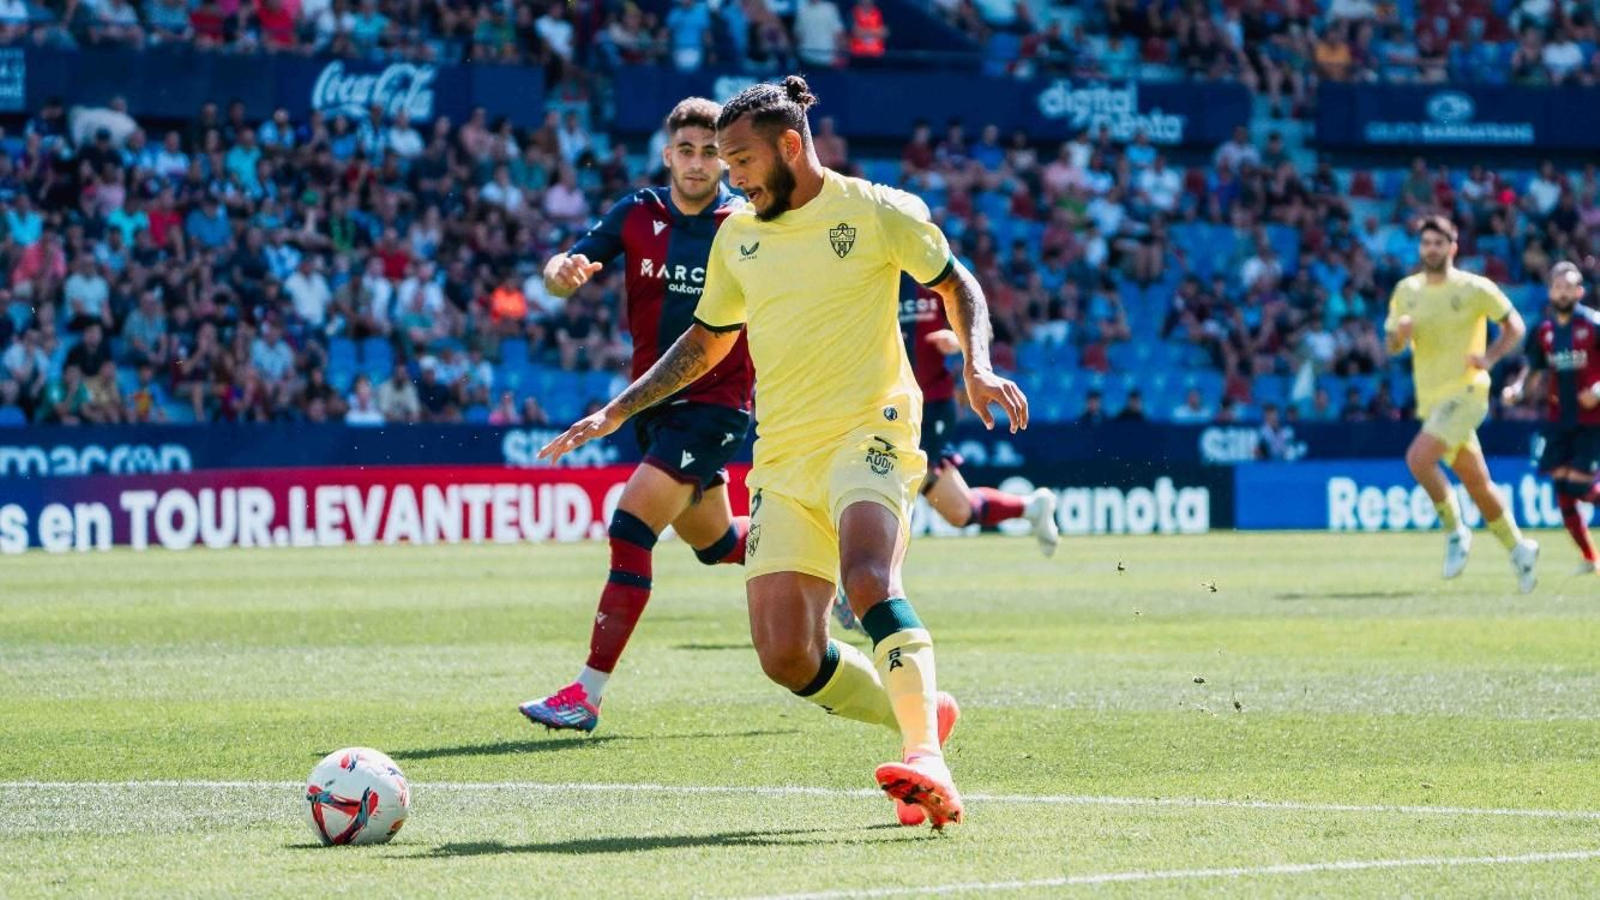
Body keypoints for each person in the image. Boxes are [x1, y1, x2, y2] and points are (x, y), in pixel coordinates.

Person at [540, 77, 1028, 829]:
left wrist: (977, 364)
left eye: (740, 160)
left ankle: (928, 759)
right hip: (784, 453)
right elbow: (706, 341)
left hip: (873, 428)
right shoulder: (741, 236)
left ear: (791, 147)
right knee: (785, 653)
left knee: (867, 578)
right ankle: (921, 714)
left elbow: (955, 283)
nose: (731, 177)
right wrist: (617, 408)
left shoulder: (875, 210)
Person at [519, 98, 757, 734]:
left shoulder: (746, 223)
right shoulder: (638, 213)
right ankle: (827, 565)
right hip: (654, 405)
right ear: (667, 153)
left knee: (630, 527)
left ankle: (586, 694)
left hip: (714, 405)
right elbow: (559, 274)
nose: (699, 163)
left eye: (712, 152)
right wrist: (560, 273)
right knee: (722, 544)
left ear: (725, 160)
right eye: (688, 150)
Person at [1385, 215, 1538, 591]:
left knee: (1419, 459)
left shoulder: (1474, 288)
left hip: (1468, 392)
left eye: (1439, 243)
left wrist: (1490, 358)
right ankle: (1520, 549)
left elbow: (1515, 326)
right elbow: (1392, 346)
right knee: (1477, 482)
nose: (1431, 249)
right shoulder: (1406, 290)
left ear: (1453, 247)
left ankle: (1456, 532)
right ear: (1420, 248)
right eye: (1426, 243)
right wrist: (1400, 335)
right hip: (1433, 400)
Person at [1502, 262, 1600, 574]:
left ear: (1580, 291)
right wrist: (1518, 389)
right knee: (1562, 491)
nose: (1563, 292)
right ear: (1550, 291)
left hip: (1592, 422)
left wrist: (1597, 391)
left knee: (1577, 486)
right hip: (1559, 420)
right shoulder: (1544, 331)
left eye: (1569, 287)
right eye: (1557, 287)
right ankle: (1589, 558)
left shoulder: (1594, 325)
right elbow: (1534, 368)